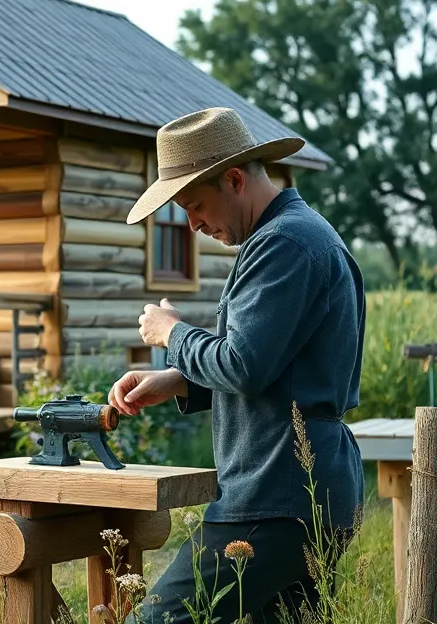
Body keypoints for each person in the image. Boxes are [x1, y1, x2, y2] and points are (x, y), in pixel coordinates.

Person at [109, 107, 366, 622]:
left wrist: (172, 335)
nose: (193, 223)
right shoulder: (291, 236)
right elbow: (278, 370)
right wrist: (181, 382)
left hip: (275, 497)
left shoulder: (284, 243)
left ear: (234, 179)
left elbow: (244, 364)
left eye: (196, 205)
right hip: (298, 494)